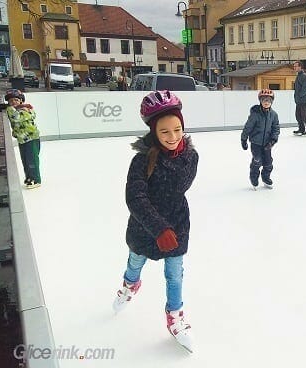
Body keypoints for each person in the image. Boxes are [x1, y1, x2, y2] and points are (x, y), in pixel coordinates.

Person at [112, 90, 198, 353]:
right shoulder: (141, 161)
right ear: (153, 132)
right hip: (144, 227)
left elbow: (180, 189)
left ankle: (175, 316)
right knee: (135, 261)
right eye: (165, 132)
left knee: (174, 274)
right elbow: (135, 198)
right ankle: (130, 284)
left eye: (177, 129)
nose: (173, 137)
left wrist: (170, 227)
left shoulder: (191, 157)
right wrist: (158, 228)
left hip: (177, 225)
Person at [241, 89, 280, 190]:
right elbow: (248, 127)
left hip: (268, 143)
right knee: (257, 160)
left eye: (268, 100)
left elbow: (276, 128)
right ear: (260, 101)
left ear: (271, 102)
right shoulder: (255, 114)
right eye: (264, 100)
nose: (266, 102)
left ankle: (266, 178)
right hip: (256, 143)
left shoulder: (274, 115)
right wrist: (244, 139)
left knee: (268, 162)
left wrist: (273, 140)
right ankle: (253, 177)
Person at [4, 89, 42, 188]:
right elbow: (14, 119)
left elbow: (17, 118)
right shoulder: (15, 109)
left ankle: (36, 179)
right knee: (25, 160)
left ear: (21, 100)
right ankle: (29, 177)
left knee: (32, 159)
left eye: (16, 100)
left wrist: (11, 108)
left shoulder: (26, 109)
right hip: (22, 140)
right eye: (11, 101)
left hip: (32, 138)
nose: (13, 102)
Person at [292, 61, 306, 136]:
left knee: (304, 115)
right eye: (294, 66)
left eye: (295, 66)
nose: (294, 67)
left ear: (300, 67)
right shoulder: (299, 75)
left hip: (304, 99)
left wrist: (300, 95)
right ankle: (301, 129)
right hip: (299, 99)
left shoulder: (304, 76)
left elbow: (305, 87)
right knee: (298, 115)